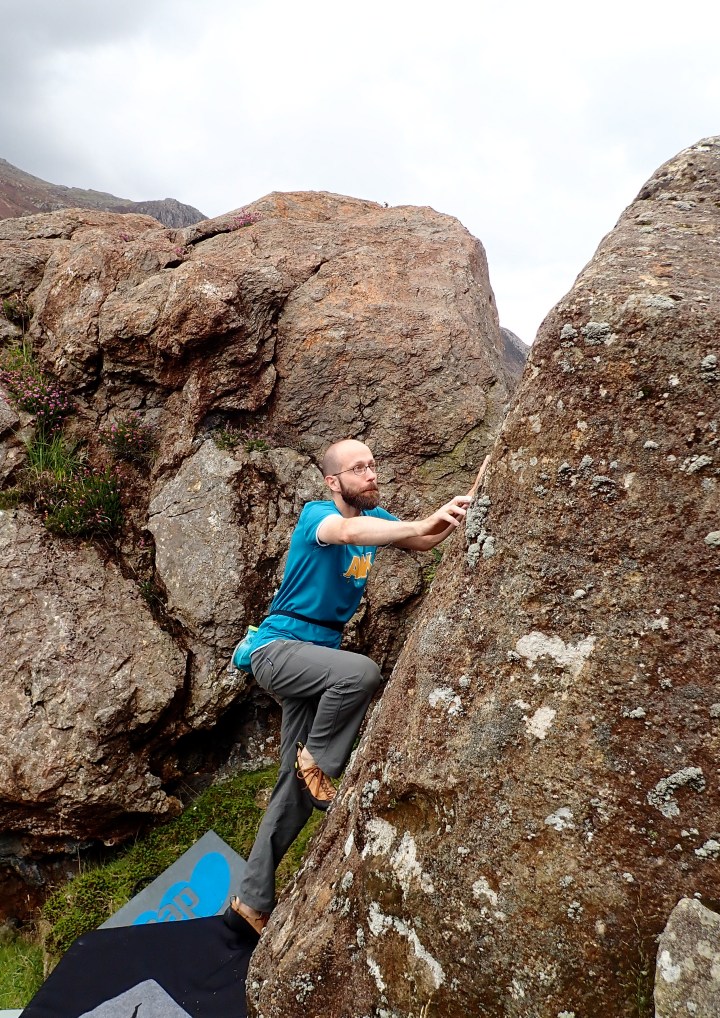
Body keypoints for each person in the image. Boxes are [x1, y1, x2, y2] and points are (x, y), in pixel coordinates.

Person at [223, 438, 488, 940]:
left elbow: (424, 540)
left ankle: (249, 902)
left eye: (372, 464)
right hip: (279, 649)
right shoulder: (318, 517)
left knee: (293, 791)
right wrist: (416, 524)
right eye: (357, 468)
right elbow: (348, 531)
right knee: (360, 673)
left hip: (315, 659)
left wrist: (473, 495)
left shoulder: (375, 518)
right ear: (333, 481)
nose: (370, 473)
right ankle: (319, 759)